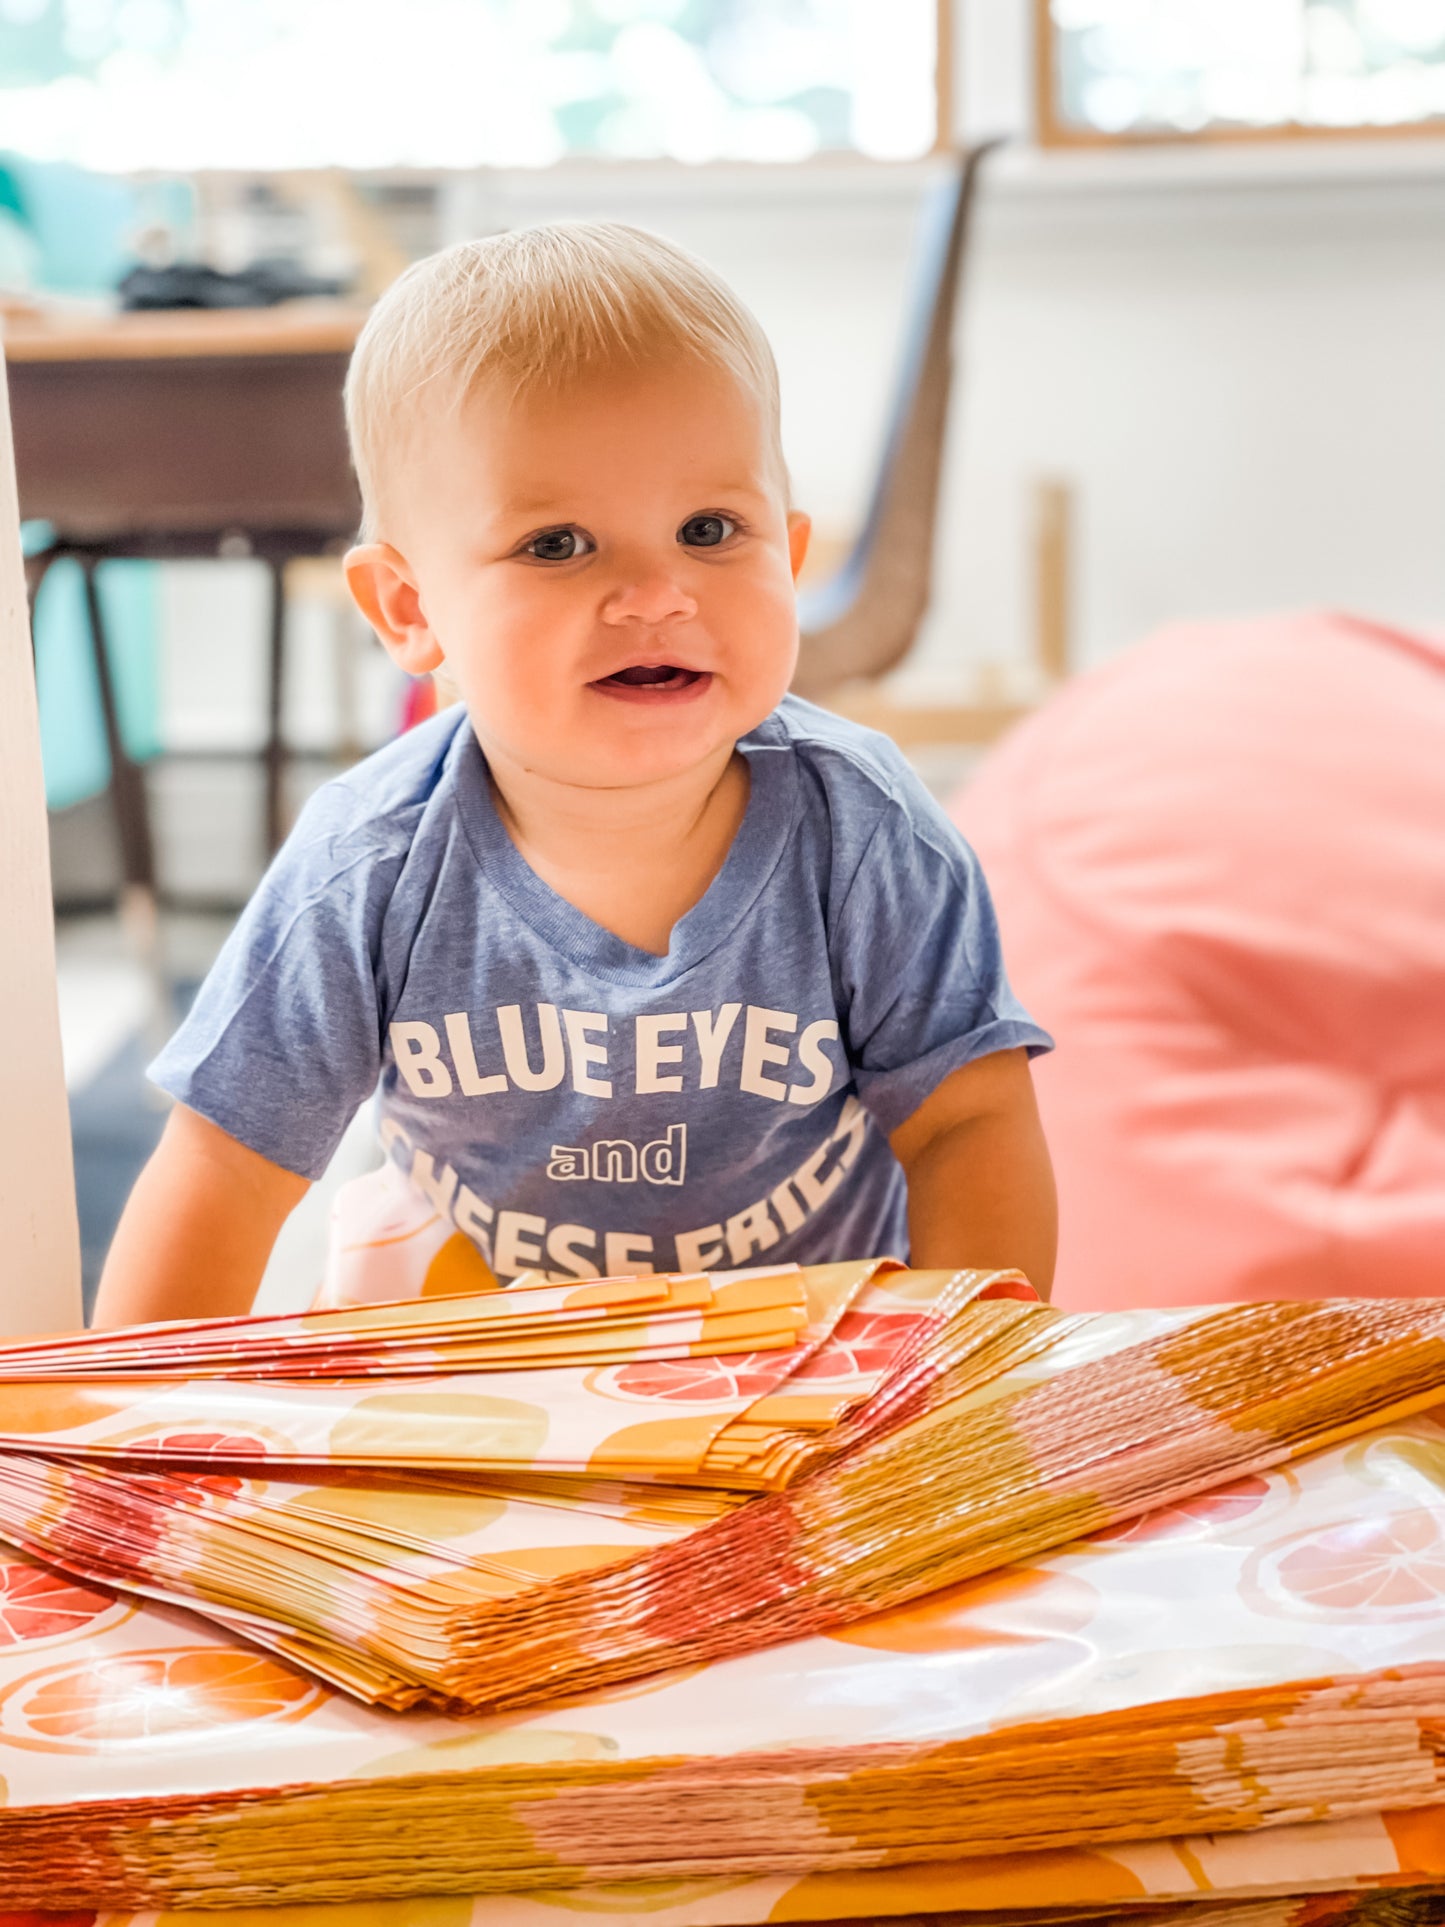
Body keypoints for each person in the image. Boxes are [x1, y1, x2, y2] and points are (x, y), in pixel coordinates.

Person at [91, 223, 1056, 1329]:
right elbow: (224, 1167)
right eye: (557, 544)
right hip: (479, 1358)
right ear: (408, 610)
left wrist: (962, 1374)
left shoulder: (862, 829)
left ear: (787, 560)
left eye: (708, 528)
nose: (655, 591)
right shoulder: (370, 861)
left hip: (807, 1355)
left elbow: (967, 1124)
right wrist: (123, 1437)